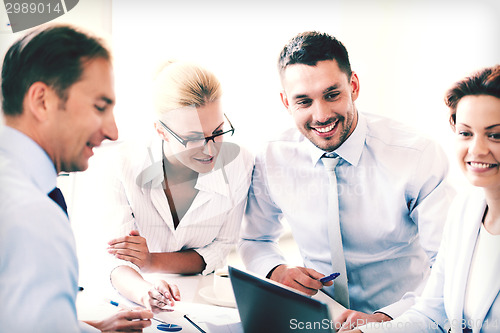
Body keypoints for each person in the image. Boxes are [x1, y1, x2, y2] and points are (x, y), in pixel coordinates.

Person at [239, 31, 455, 330]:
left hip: (404, 321)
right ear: (285, 102)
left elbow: (448, 265)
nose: (321, 115)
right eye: (303, 101)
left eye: (332, 94)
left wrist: (385, 319)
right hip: (316, 321)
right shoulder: (271, 157)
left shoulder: (417, 155)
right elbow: (255, 239)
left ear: (353, 86)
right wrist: (276, 270)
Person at [0, 25, 153, 332]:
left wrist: (88, 328)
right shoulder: (34, 217)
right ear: (42, 101)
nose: (113, 132)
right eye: (99, 107)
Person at [348, 65, 500, 333]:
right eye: (466, 133)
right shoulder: (463, 210)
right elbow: (432, 313)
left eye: (495, 135)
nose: (477, 149)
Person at [106, 61, 253, 312]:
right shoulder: (123, 165)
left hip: (205, 299)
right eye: (194, 138)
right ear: (161, 131)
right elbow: (117, 262)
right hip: (136, 295)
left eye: (218, 132)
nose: (211, 149)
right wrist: (146, 293)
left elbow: (219, 249)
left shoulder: (239, 163)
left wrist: (151, 260)